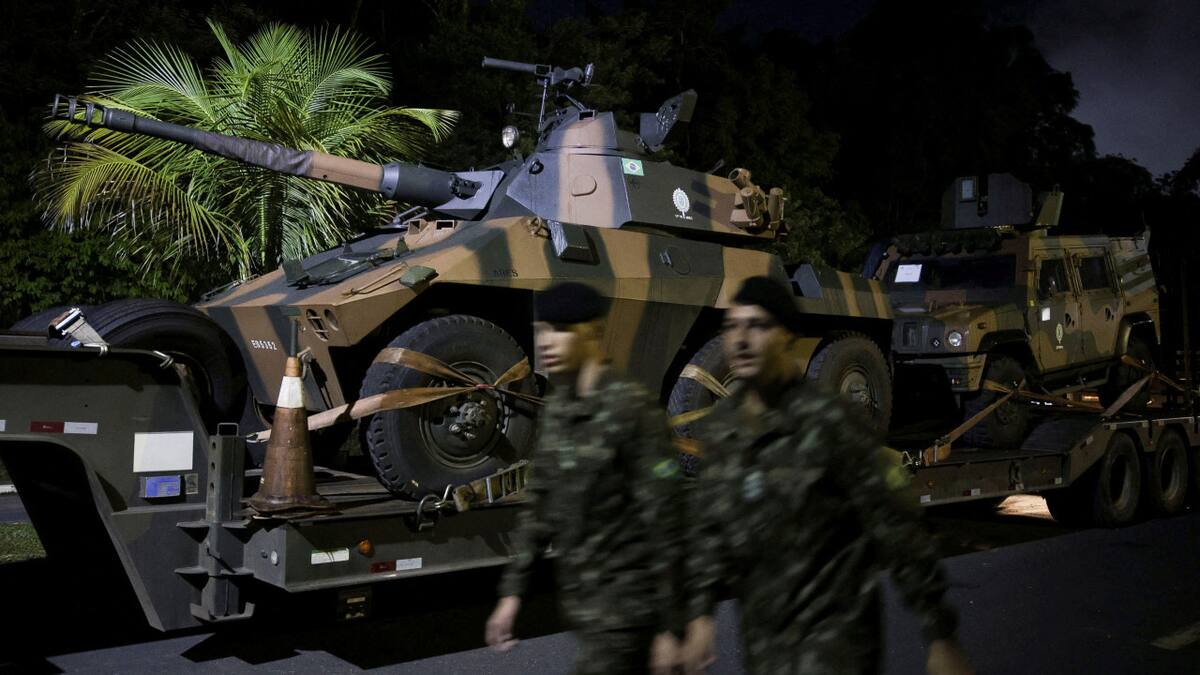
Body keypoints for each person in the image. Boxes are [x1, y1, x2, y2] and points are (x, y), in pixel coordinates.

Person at [679, 276, 973, 675]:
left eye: (758, 326)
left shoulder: (830, 423)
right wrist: (699, 616)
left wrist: (940, 634)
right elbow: (710, 528)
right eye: (733, 326)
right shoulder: (725, 428)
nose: (742, 339)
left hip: (836, 643)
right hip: (765, 645)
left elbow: (895, 527)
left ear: (786, 336)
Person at [485, 282, 685, 674]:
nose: (545, 342)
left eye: (559, 329)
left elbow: (668, 523)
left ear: (592, 331)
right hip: (587, 609)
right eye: (541, 330)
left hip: (632, 614)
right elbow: (540, 505)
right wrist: (512, 595)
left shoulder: (632, 409)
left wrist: (671, 627)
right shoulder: (560, 408)